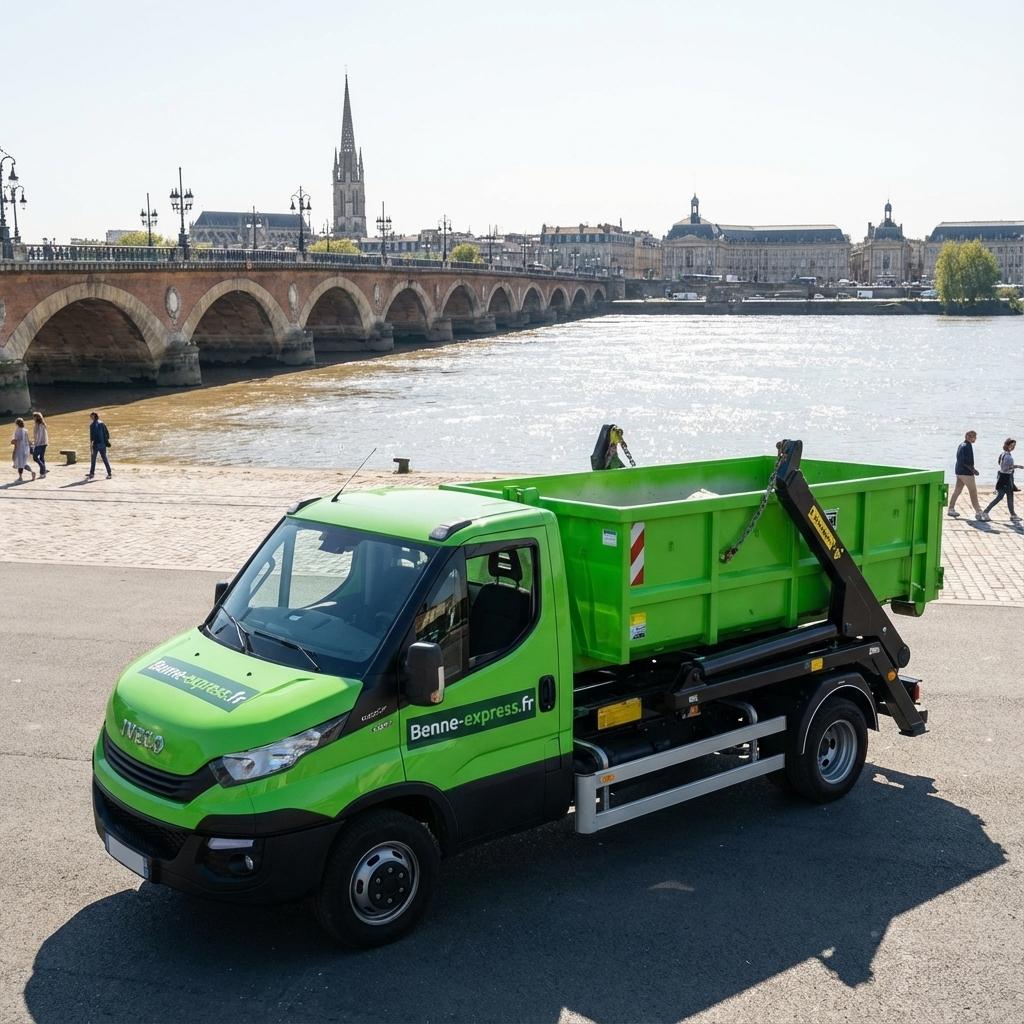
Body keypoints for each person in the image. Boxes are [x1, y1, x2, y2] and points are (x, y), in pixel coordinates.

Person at [947, 430, 984, 520]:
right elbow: (964, 461)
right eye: (972, 436)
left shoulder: (962, 445)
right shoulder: (966, 446)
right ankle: (979, 512)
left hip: (959, 472)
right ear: (967, 436)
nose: (974, 438)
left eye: (975, 436)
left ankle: (951, 509)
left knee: (957, 491)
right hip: (966, 473)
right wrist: (973, 470)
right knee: (973, 492)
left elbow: (960, 460)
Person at [981, 439, 1020, 523]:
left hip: (1002, 477)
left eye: (1014, 446)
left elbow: (1000, 464)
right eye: (1011, 445)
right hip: (1006, 478)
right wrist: (1018, 466)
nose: (1013, 447)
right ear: (1006, 445)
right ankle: (986, 512)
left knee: (1003, 496)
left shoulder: (1002, 454)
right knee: (1004, 497)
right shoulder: (1008, 456)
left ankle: (1012, 515)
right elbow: (1005, 468)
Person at [86, 411, 112, 480]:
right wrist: (106, 442)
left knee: (93, 459)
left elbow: (92, 437)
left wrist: (91, 444)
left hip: (96, 445)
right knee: (105, 459)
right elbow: (107, 434)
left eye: (91, 416)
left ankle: (92, 473)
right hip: (102, 444)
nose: (90, 417)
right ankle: (109, 473)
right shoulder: (102, 423)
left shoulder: (92, 425)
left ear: (94, 416)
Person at [31, 411, 48, 478]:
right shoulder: (43, 424)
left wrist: (35, 444)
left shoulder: (37, 425)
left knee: (35, 457)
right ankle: (43, 474)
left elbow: (38, 436)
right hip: (44, 443)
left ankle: (43, 468)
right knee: (41, 458)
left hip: (39, 444)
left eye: (33, 417)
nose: (33, 418)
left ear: (36, 418)